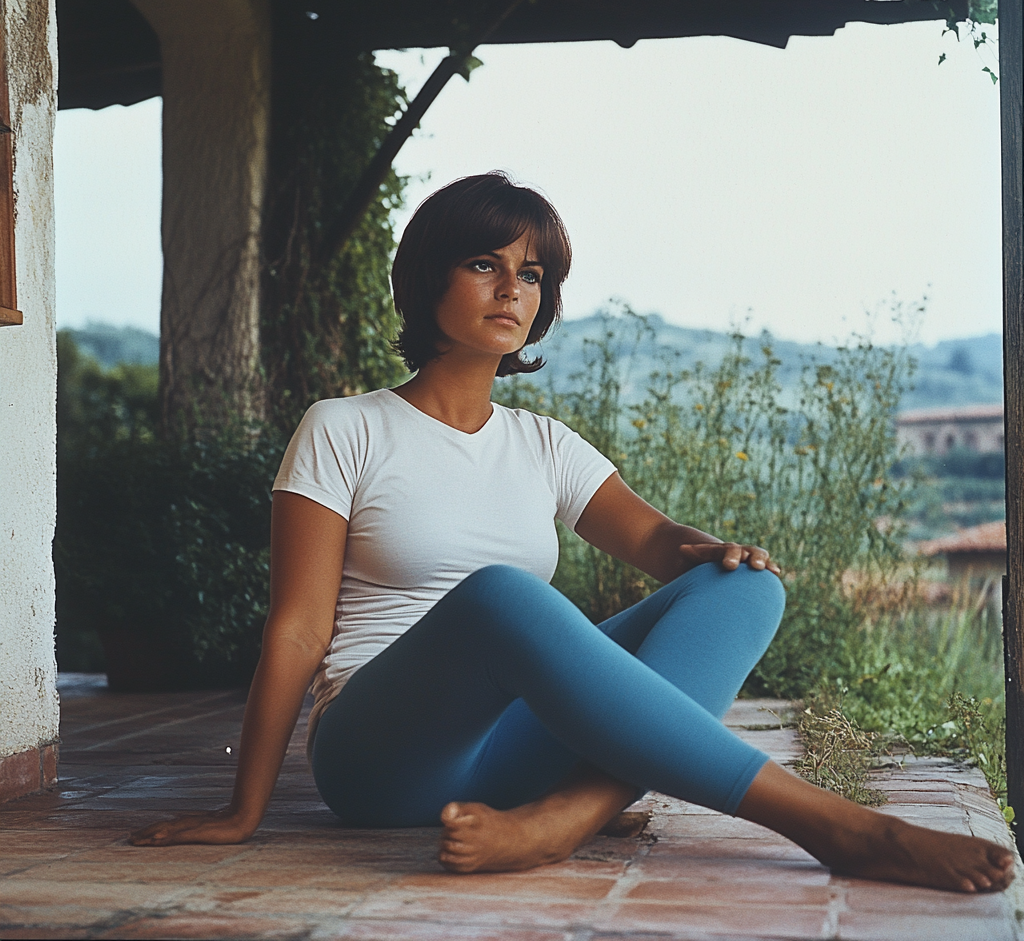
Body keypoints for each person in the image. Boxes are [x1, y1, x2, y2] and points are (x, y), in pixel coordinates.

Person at [130, 172, 1014, 893]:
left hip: (515, 757)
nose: (513, 288)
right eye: (485, 263)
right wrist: (243, 809)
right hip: (381, 755)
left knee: (746, 584)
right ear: (426, 277)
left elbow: (664, 544)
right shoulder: (344, 426)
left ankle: (563, 818)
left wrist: (716, 550)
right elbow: (297, 627)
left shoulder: (543, 443)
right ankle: (837, 825)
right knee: (504, 596)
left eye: (533, 272)